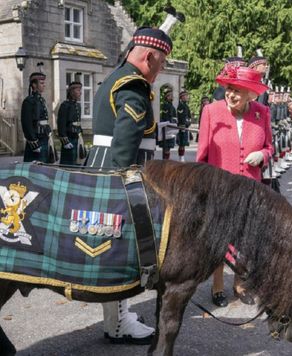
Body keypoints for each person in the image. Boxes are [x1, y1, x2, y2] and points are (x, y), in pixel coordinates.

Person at [84, 25, 174, 344]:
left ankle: (117, 317)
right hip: (119, 177)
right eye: (161, 63)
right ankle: (118, 324)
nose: (161, 69)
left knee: (112, 247)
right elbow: (125, 144)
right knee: (122, 251)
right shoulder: (134, 86)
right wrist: (129, 190)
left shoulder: (116, 76)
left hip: (101, 169)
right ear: (148, 56)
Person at [197, 64, 273, 307]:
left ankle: (239, 283)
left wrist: (263, 155)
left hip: (251, 190)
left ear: (251, 93)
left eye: (237, 91)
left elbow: (269, 146)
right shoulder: (211, 111)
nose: (230, 95)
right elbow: (202, 155)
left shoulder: (262, 113)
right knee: (219, 239)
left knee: (246, 239)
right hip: (220, 189)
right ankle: (217, 284)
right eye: (229, 89)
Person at [21, 72, 57, 163]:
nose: (44, 85)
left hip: (44, 137)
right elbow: (26, 124)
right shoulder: (29, 101)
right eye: (41, 83)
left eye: (44, 83)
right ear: (34, 84)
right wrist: (33, 142)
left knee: (46, 169)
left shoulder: (41, 100)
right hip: (36, 140)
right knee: (35, 171)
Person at [57, 81, 86, 165]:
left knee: (77, 162)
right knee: (68, 163)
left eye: (80, 90)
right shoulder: (65, 105)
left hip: (77, 137)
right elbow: (61, 124)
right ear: (71, 91)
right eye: (78, 90)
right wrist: (65, 141)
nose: (80, 93)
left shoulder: (78, 106)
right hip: (69, 138)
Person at [159, 87, 177, 159]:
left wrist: (174, 122)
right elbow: (164, 117)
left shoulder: (171, 106)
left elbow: (174, 117)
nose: (172, 97)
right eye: (170, 95)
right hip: (166, 127)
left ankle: (166, 160)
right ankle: (165, 161)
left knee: (169, 146)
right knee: (166, 146)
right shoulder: (165, 105)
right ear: (167, 97)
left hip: (171, 126)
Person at [176, 90, 191, 162]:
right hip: (182, 126)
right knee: (181, 142)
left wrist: (189, 122)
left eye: (186, 96)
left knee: (184, 142)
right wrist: (184, 123)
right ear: (181, 97)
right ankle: (181, 157)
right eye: (185, 96)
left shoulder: (186, 105)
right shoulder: (180, 106)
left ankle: (182, 156)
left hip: (186, 125)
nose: (186, 97)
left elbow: (188, 116)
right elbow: (181, 117)